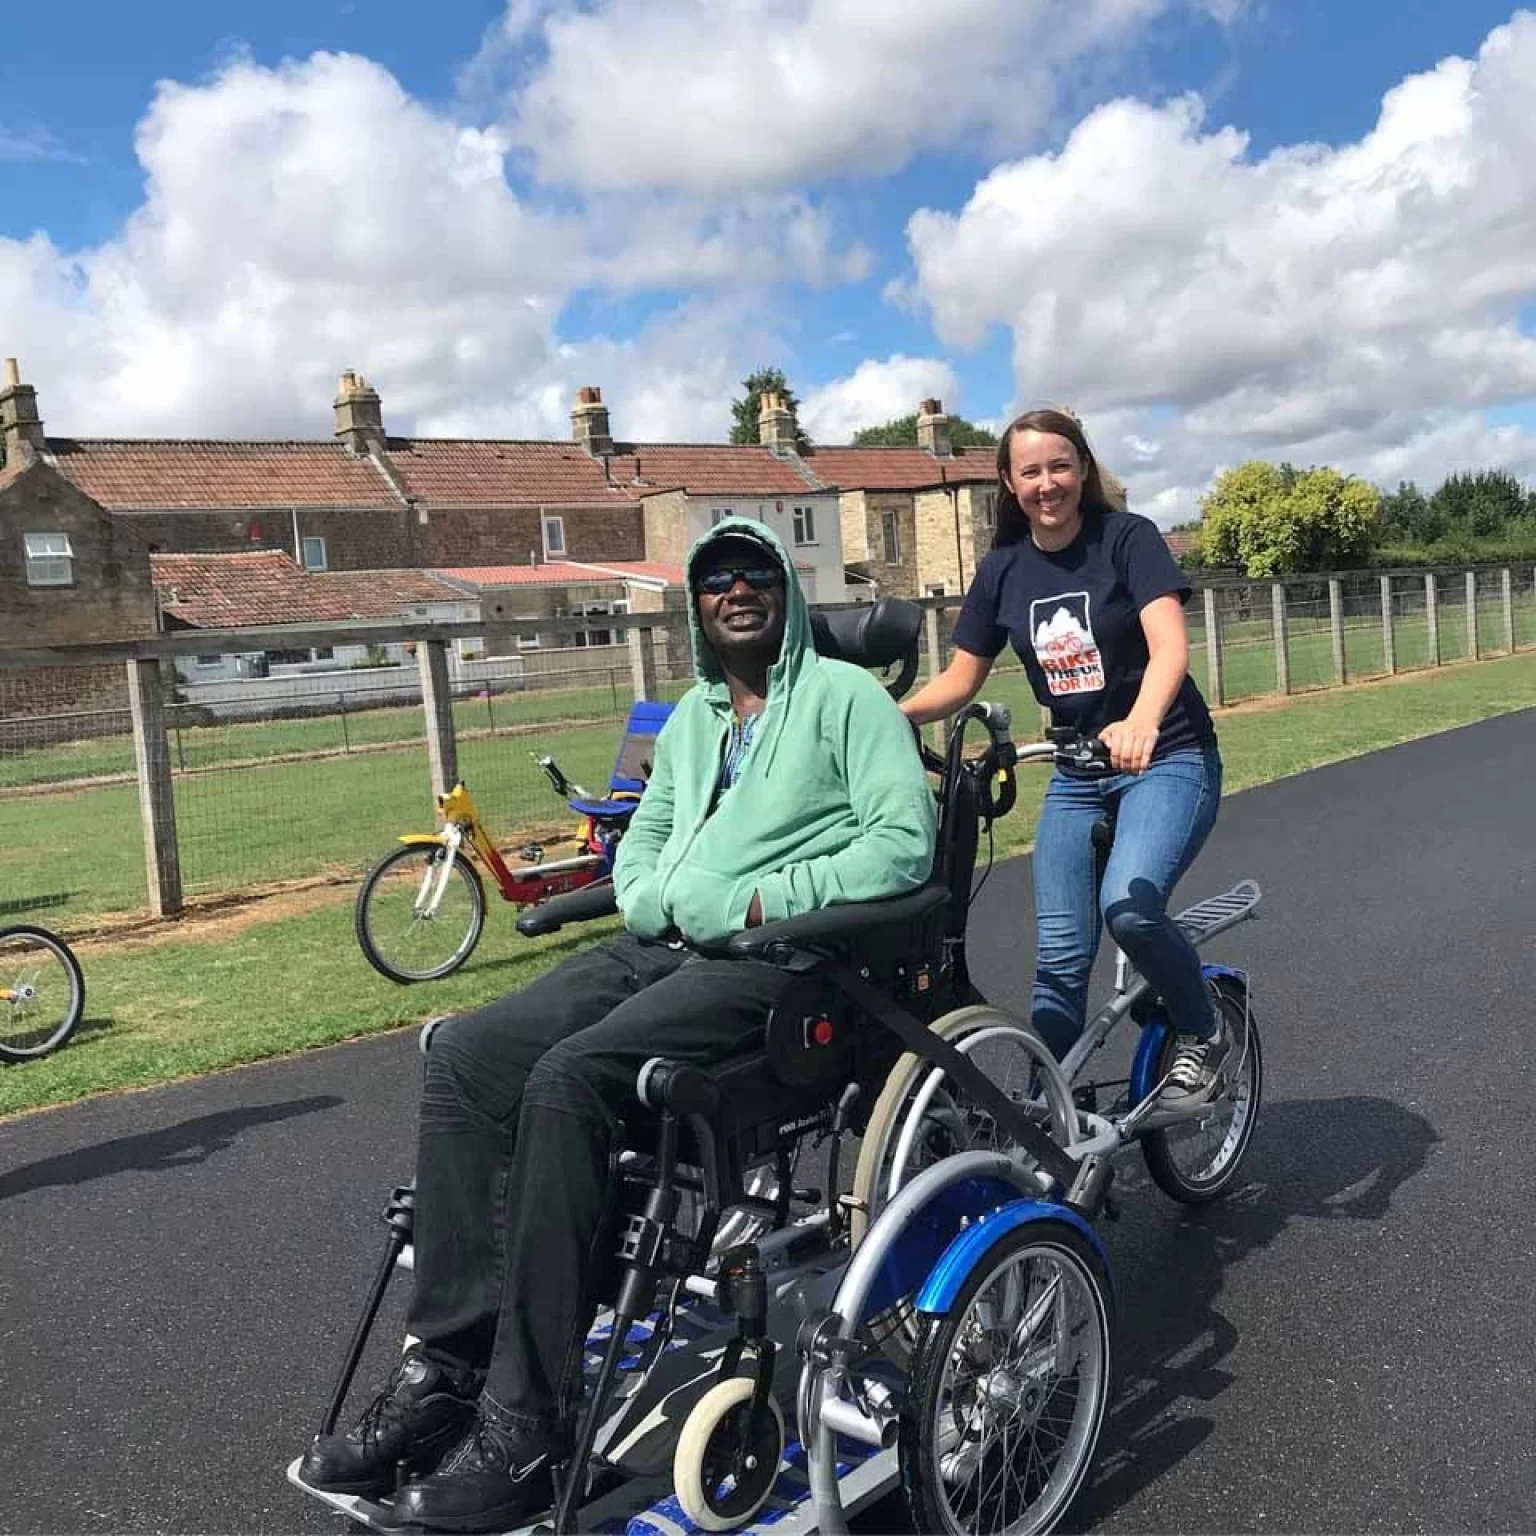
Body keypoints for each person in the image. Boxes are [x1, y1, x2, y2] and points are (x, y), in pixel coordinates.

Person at [300, 518, 935, 1532]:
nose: (737, 589)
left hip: (781, 966)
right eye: (716, 577)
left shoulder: (849, 700)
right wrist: (644, 894)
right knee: (467, 1057)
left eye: (757, 572)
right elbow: (640, 838)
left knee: (570, 1080)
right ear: (695, 604)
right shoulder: (690, 719)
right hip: (661, 947)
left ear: (787, 592)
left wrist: (765, 901)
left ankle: (527, 1425)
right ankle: (447, 1374)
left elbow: (906, 846)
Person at [901, 408, 1226, 1105]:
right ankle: (1056, 1105)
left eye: (1060, 466)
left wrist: (1141, 721)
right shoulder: (1002, 571)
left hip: (1166, 757)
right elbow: (963, 678)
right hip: (1078, 776)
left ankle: (1202, 1030)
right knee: (1058, 961)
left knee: (1130, 910)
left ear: (1081, 469)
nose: (1047, 483)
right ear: (1009, 484)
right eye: (1030, 471)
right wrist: (889, 716)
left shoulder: (1127, 540)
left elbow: (1169, 645)